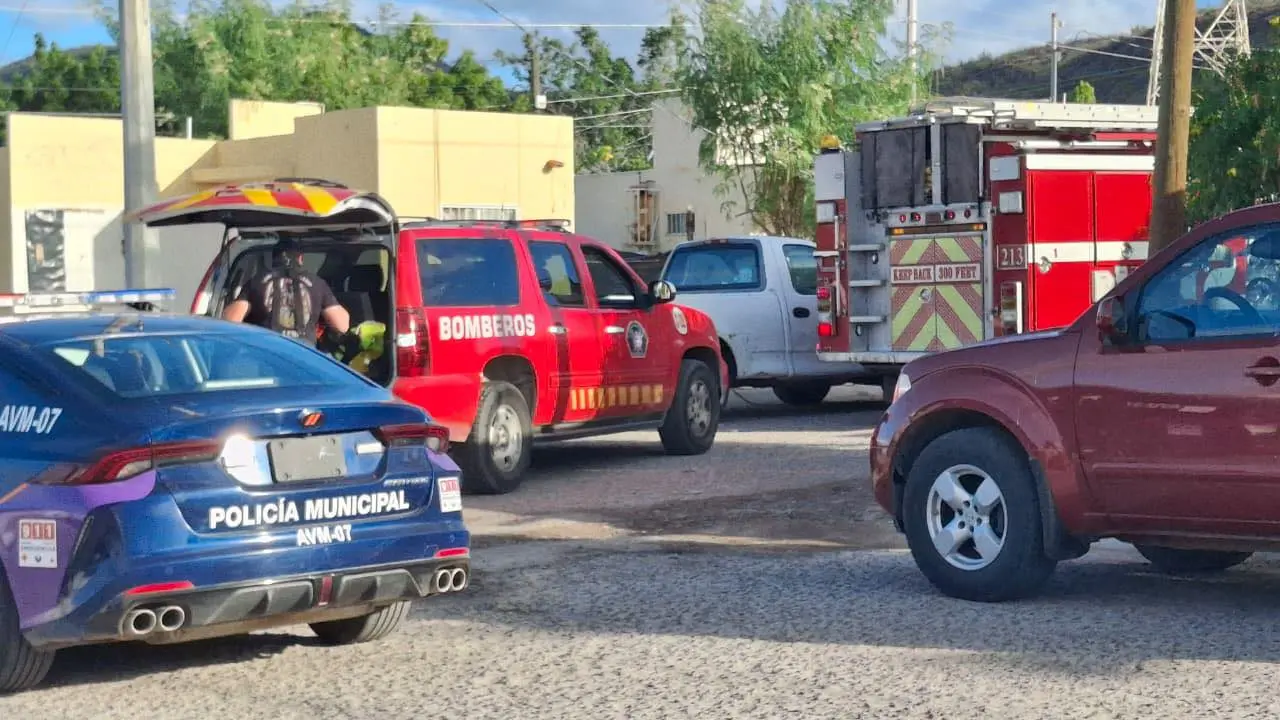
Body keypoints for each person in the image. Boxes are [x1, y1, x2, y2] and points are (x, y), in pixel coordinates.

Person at [221, 237, 350, 346]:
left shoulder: (256, 281)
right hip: (305, 353)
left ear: (273, 259)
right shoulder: (317, 283)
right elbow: (342, 325)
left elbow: (231, 320)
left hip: (270, 351)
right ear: (300, 259)